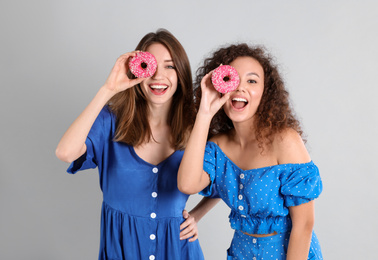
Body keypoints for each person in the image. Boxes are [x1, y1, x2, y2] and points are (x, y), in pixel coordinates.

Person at [55, 29, 219, 260]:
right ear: (137, 69)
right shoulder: (110, 120)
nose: (159, 77)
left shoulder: (197, 126)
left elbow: (231, 171)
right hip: (121, 250)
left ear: (181, 73)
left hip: (178, 250)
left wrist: (198, 213)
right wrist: (108, 89)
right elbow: (65, 152)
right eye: (150, 66)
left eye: (170, 66)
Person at [177, 43, 323, 260]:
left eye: (252, 81)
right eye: (231, 80)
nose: (240, 88)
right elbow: (188, 184)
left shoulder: (285, 141)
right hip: (241, 253)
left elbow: (304, 224)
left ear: (265, 92)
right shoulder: (218, 148)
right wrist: (205, 113)